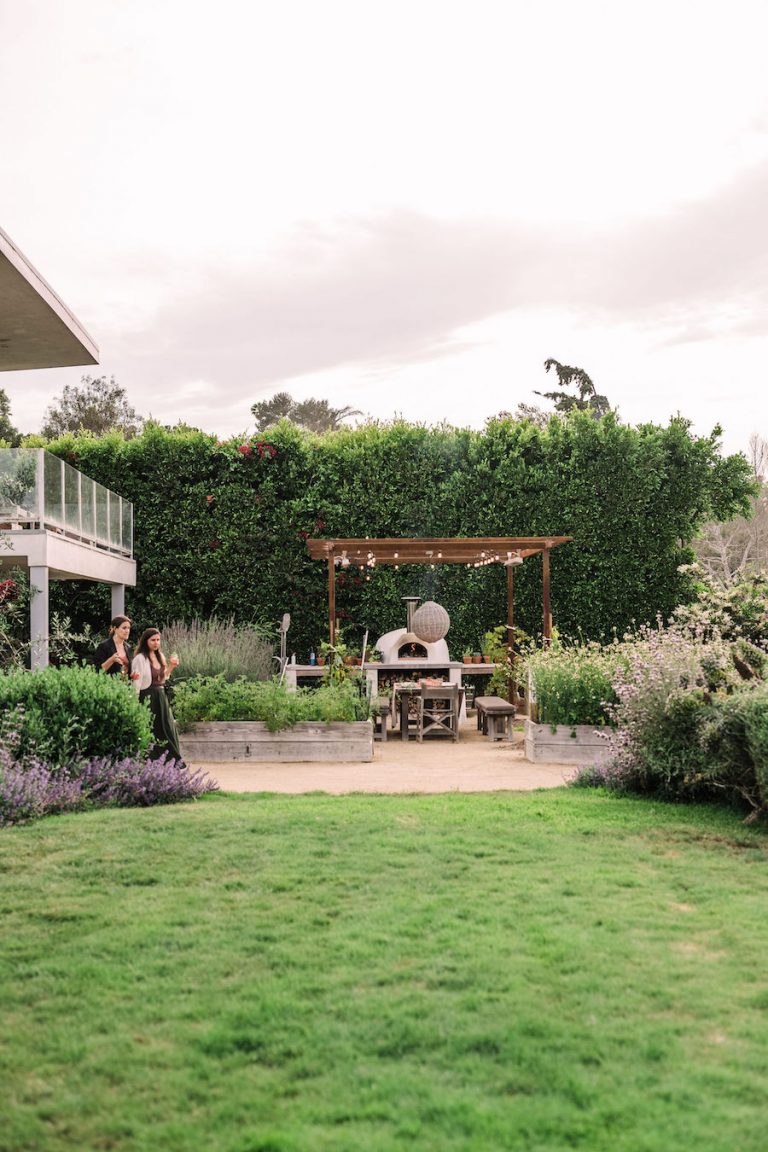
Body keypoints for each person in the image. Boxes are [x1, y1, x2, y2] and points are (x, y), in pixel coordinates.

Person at [132, 627, 183, 763]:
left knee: (167, 727)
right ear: (146, 641)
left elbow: (163, 678)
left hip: (161, 695)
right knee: (153, 729)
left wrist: (171, 666)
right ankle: (150, 761)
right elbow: (136, 684)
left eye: (158, 640)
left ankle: (172, 761)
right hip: (148, 696)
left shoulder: (160, 656)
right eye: (152, 640)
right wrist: (134, 703)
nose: (156, 643)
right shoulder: (140, 658)